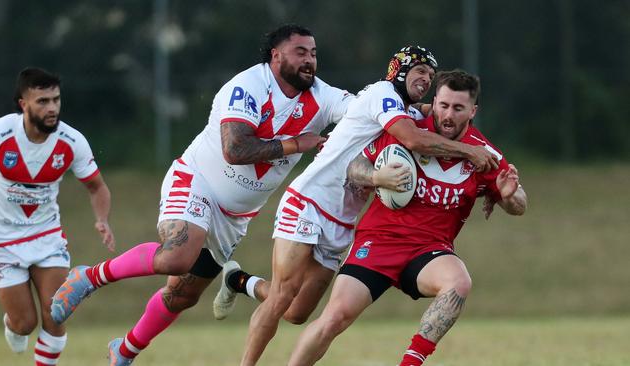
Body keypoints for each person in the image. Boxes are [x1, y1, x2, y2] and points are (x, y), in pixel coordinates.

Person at [49, 24, 355, 365]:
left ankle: (124, 350)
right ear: (276, 55)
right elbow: (235, 149)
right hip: (198, 182)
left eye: (313, 53)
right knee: (176, 257)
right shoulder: (248, 86)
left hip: (236, 216)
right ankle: (90, 276)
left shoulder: (323, 97)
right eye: (300, 52)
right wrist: (298, 143)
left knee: (181, 295)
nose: (309, 61)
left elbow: (363, 113)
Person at [214, 46, 501, 366]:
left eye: (431, 76)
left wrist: (484, 183)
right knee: (282, 296)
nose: (426, 79)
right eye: (420, 71)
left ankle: (238, 281)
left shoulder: (409, 109)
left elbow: (437, 115)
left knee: (297, 312)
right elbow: (416, 141)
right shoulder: (384, 95)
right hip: (310, 201)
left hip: (343, 220)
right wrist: (469, 152)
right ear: (399, 69)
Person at [286, 69, 528, 366]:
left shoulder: (483, 152)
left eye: (458, 108)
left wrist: (508, 194)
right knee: (334, 318)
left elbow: (519, 205)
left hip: (429, 250)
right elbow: (354, 166)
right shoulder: (408, 130)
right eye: (443, 105)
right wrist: (376, 177)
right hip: (379, 242)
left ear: (473, 111)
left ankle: (410, 363)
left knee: (458, 282)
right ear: (434, 101)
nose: (448, 115)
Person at [0, 67, 115, 366]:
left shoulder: (72, 141)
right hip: (1, 242)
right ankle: (13, 324)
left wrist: (102, 219)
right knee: (25, 323)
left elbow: (97, 187)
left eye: (55, 99)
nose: (52, 107)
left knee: (57, 311)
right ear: (23, 104)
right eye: (42, 101)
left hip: (47, 237)